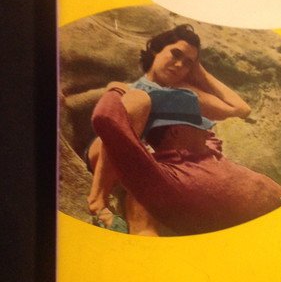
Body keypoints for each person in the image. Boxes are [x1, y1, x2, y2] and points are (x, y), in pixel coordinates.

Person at [86, 23, 251, 222]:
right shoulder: (127, 89)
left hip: (160, 168)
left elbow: (240, 109)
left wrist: (201, 72)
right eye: (175, 54)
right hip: (114, 154)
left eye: (188, 63)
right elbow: (106, 126)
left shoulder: (185, 95)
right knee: (134, 98)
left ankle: (116, 204)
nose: (180, 65)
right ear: (156, 50)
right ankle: (98, 198)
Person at [91, 85, 281, 236]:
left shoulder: (205, 148)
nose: (207, 130)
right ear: (176, 132)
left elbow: (238, 109)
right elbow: (106, 119)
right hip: (270, 232)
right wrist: (117, 89)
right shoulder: (161, 179)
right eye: (199, 126)